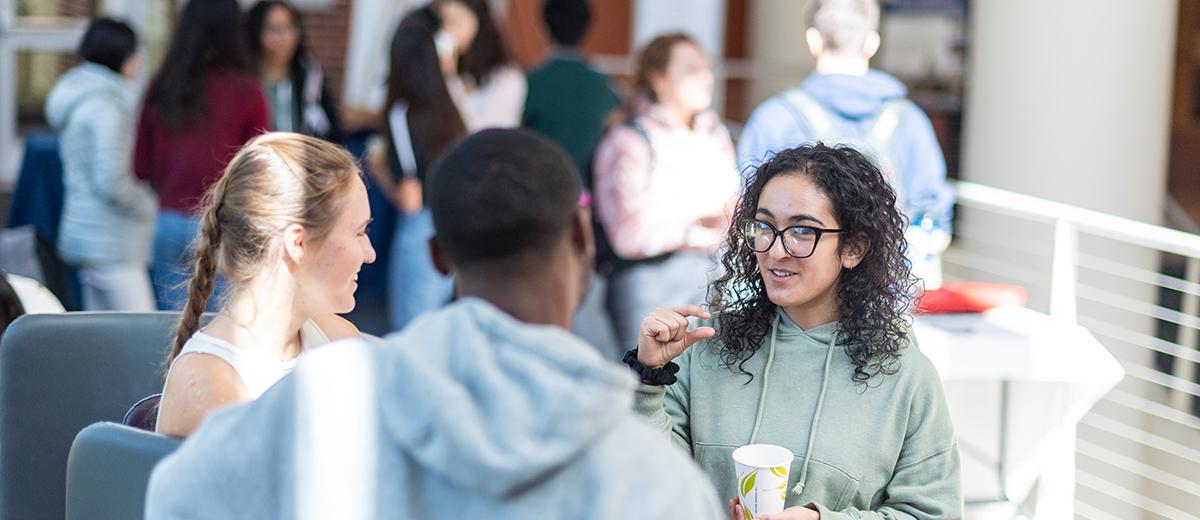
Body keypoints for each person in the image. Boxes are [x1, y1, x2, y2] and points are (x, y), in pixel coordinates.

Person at [145, 129, 723, 520]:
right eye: (360, 232)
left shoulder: (320, 399)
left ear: (439, 255)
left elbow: (173, 495)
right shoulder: (653, 483)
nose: (369, 253)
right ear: (580, 238)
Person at [630, 144, 962, 519]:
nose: (775, 250)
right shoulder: (708, 345)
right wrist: (649, 378)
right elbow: (650, 479)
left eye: (803, 231)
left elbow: (934, 514)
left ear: (854, 247)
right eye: (765, 226)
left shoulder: (905, 376)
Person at [155, 133, 375, 438]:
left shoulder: (339, 341)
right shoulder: (210, 386)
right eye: (359, 232)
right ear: (297, 243)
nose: (370, 254)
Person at [736, 0, 954, 288]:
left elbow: (749, 216)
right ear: (872, 43)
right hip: (884, 301)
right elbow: (933, 220)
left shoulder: (775, 118)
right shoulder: (910, 120)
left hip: (798, 306)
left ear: (813, 40)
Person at [592, 32, 739, 349]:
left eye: (706, 67)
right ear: (658, 79)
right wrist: (695, 225)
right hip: (649, 287)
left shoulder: (715, 134)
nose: (706, 77)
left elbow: (731, 211)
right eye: (690, 69)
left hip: (715, 281)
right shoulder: (629, 140)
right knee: (649, 384)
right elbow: (628, 235)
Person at [135, 0, 270, 310]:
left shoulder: (162, 85)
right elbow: (259, 169)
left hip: (167, 219)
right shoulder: (248, 91)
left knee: (170, 333)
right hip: (223, 223)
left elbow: (140, 167)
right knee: (217, 334)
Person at [44, 18, 157, 311]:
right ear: (122, 56)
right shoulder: (107, 106)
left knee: (101, 338)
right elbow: (112, 182)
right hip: (111, 241)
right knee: (143, 337)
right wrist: (150, 205)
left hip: (87, 234)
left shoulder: (81, 96)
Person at [372, 6, 466, 330]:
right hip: (454, 228)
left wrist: (378, 170)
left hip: (422, 231)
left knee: (411, 334)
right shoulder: (452, 106)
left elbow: (410, 198)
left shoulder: (403, 111)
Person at [521, 0, 620, 186]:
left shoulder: (531, 82)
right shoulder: (603, 84)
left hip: (540, 184)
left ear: (543, 29)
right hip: (585, 190)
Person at [245, 0, 342, 142]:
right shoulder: (245, 80)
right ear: (256, 32)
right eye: (273, 29)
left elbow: (330, 130)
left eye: (290, 27)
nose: (283, 37)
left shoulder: (310, 77)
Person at [435, 0, 527, 130]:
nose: (447, 32)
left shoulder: (506, 77)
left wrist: (450, 78)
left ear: (478, 20)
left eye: (454, 22)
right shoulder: (459, 72)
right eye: (443, 23)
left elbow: (479, 132)